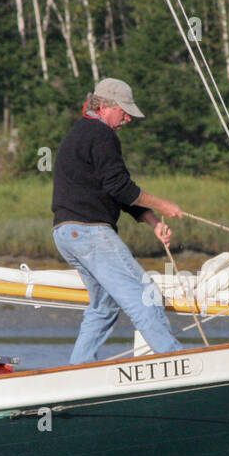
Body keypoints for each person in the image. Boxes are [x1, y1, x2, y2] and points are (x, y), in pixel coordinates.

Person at [52, 77, 185, 365]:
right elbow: (121, 188)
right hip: (90, 233)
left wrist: (153, 221)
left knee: (104, 306)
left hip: (66, 234)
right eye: (124, 111)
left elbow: (111, 190)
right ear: (105, 106)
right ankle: (177, 361)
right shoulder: (101, 135)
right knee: (145, 296)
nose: (128, 118)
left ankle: (79, 370)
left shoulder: (79, 132)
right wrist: (164, 205)